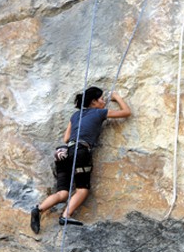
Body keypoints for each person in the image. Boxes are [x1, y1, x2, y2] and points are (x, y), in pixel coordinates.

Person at [30, 87, 131, 234]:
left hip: (64, 152)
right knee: (82, 189)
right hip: (81, 151)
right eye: (102, 99)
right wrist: (116, 97)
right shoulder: (100, 112)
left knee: (63, 193)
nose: (104, 102)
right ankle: (65, 215)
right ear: (94, 102)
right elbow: (126, 113)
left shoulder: (75, 115)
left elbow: (66, 138)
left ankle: (38, 209)